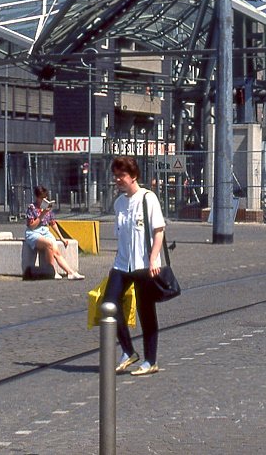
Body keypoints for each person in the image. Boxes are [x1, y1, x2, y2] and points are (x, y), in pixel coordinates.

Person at [105, 156, 166, 377]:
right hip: (122, 264)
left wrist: (153, 259)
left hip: (144, 264)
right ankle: (128, 351)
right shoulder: (118, 204)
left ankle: (151, 360)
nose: (117, 180)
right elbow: (121, 235)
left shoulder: (148, 199)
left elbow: (159, 231)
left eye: (121, 175)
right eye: (116, 176)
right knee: (108, 305)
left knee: (145, 310)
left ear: (133, 176)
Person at [25, 185, 83, 280]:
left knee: (56, 251)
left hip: (45, 231)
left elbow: (53, 223)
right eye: (42, 198)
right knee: (49, 244)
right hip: (33, 232)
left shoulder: (46, 207)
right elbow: (31, 226)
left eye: (45, 198)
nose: (44, 200)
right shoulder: (31, 207)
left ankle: (70, 272)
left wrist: (61, 237)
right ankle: (52, 271)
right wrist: (42, 214)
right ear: (37, 197)